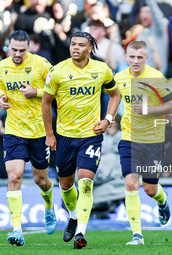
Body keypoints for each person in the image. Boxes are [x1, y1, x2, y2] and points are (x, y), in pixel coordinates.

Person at [42, 31, 120, 249]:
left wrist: (107, 119)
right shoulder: (57, 71)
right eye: (72, 44)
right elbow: (46, 102)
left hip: (91, 136)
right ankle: (74, 216)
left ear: (90, 49)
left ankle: (81, 231)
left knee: (85, 182)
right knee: (66, 185)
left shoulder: (101, 69)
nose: (75, 48)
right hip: (65, 136)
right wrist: (50, 134)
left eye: (80, 45)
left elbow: (115, 95)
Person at [0, 30, 56, 246]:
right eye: (14, 49)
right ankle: (17, 230)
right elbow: (2, 89)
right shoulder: (2, 66)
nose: (17, 54)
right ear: (8, 47)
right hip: (14, 129)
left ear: (29, 48)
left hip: (39, 131)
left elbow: (57, 89)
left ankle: (49, 206)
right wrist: (1, 98)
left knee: (42, 181)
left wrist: (37, 92)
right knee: (14, 177)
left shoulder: (42, 64)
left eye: (22, 50)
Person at [114, 41, 172, 245]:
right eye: (132, 57)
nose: (136, 61)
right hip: (129, 139)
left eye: (140, 57)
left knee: (150, 188)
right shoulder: (120, 78)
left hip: (153, 141)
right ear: (126, 57)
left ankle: (162, 201)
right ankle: (137, 234)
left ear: (146, 58)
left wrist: (150, 110)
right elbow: (114, 100)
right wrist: (108, 118)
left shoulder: (157, 77)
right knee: (131, 183)